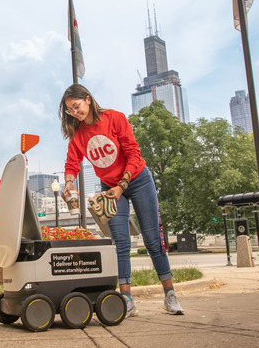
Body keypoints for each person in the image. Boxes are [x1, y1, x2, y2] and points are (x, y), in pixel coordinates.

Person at [59, 83, 184, 316]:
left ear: (88, 99)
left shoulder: (115, 118)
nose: (75, 113)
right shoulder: (78, 135)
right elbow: (71, 163)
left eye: (77, 107)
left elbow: (133, 153)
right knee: (120, 244)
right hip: (110, 188)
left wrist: (122, 185)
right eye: (70, 111)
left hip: (137, 180)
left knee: (152, 240)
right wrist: (68, 183)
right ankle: (126, 299)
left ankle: (170, 295)